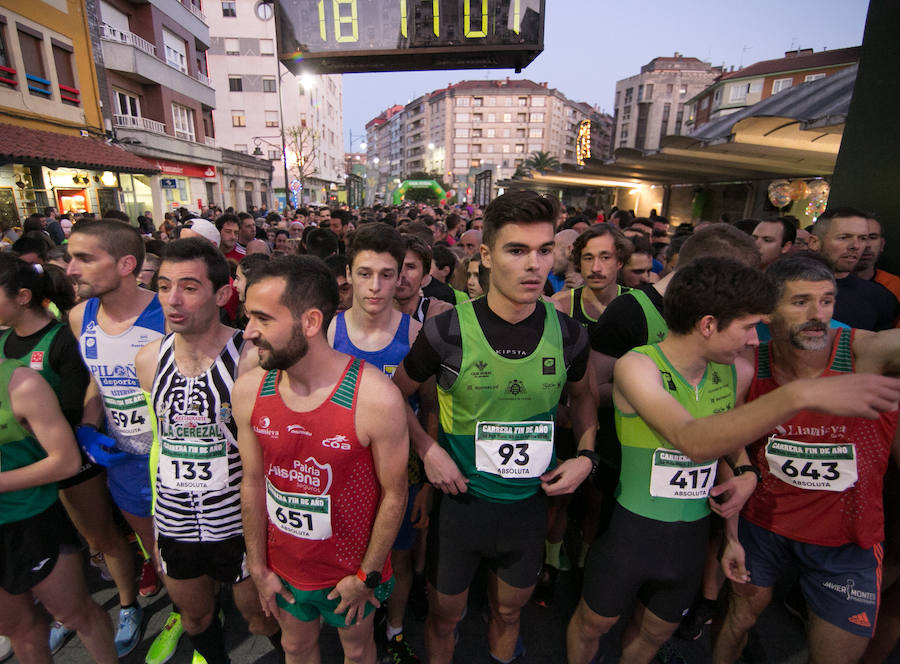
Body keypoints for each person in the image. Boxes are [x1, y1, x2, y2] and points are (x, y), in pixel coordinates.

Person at [566, 257, 900, 664]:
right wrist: (799, 396)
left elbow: (728, 442)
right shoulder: (639, 365)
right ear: (708, 325)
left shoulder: (734, 371)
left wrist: (739, 504)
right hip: (629, 537)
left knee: (654, 632)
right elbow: (692, 440)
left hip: (691, 542)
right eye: (747, 328)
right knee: (593, 626)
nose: (756, 340)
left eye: (828, 301)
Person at [392, 191, 598, 664]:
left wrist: (586, 456)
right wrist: (427, 449)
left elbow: (585, 396)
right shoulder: (447, 332)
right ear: (485, 256)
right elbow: (392, 395)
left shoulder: (568, 333)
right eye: (516, 250)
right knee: (446, 617)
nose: (534, 265)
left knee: (509, 616)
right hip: (461, 509)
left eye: (544, 250)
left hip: (527, 509)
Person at [713, 253, 900, 664]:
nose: (819, 315)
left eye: (827, 301)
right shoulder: (749, 365)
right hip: (765, 526)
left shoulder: (866, 353)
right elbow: (726, 441)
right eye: (800, 302)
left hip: (847, 541)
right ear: (769, 312)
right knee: (737, 622)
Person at [235, 255, 408, 664]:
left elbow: (394, 495)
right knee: (294, 647)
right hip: (287, 569)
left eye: (262, 319)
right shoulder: (248, 391)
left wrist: (365, 576)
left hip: (350, 574)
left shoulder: (375, 397)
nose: (248, 332)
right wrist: (258, 567)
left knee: (358, 648)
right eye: (248, 317)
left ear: (310, 322)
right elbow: (252, 483)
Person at [135, 239, 279, 663]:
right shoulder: (148, 360)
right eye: (163, 286)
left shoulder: (251, 358)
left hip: (238, 520)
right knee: (195, 618)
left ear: (221, 294)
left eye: (189, 287)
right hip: (175, 518)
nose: (172, 300)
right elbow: (161, 441)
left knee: (260, 617)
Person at [66, 219, 170, 657]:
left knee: (184, 551)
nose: (71, 269)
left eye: (85, 258)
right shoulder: (78, 317)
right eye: (71, 257)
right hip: (123, 460)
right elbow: (96, 380)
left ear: (127, 264)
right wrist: (89, 427)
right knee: (153, 548)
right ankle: (167, 606)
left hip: (174, 462)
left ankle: (200, 613)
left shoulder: (168, 313)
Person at [328, 225, 429, 662]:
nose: (376, 286)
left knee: (400, 559)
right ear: (348, 273)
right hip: (342, 473)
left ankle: (395, 629)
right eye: (365, 273)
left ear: (400, 278)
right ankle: (350, 631)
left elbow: (432, 410)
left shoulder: (417, 334)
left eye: (387, 275)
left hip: (400, 471)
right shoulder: (328, 332)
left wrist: (424, 480)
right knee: (344, 559)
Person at [0, 359, 117, 664]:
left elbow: (65, 461)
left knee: (75, 613)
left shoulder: (20, 383)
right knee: (18, 628)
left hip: (30, 521)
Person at [809, 207, 898, 331]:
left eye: (862, 238)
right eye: (844, 237)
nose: (855, 246)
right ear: (814, 242)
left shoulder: (880, 297)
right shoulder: (783, 285)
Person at [550, 224, 631, 325]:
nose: (595, 268)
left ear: (619, 261)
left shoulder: (638, 304)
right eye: (588, 258)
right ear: (579, 262)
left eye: (605, 258)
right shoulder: (560, 304)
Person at [854, 215, 900, 304]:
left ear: (882, 244)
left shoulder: (896, 287)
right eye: (860, 238)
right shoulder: (825, 281)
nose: (867, 245)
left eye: (872, 237)